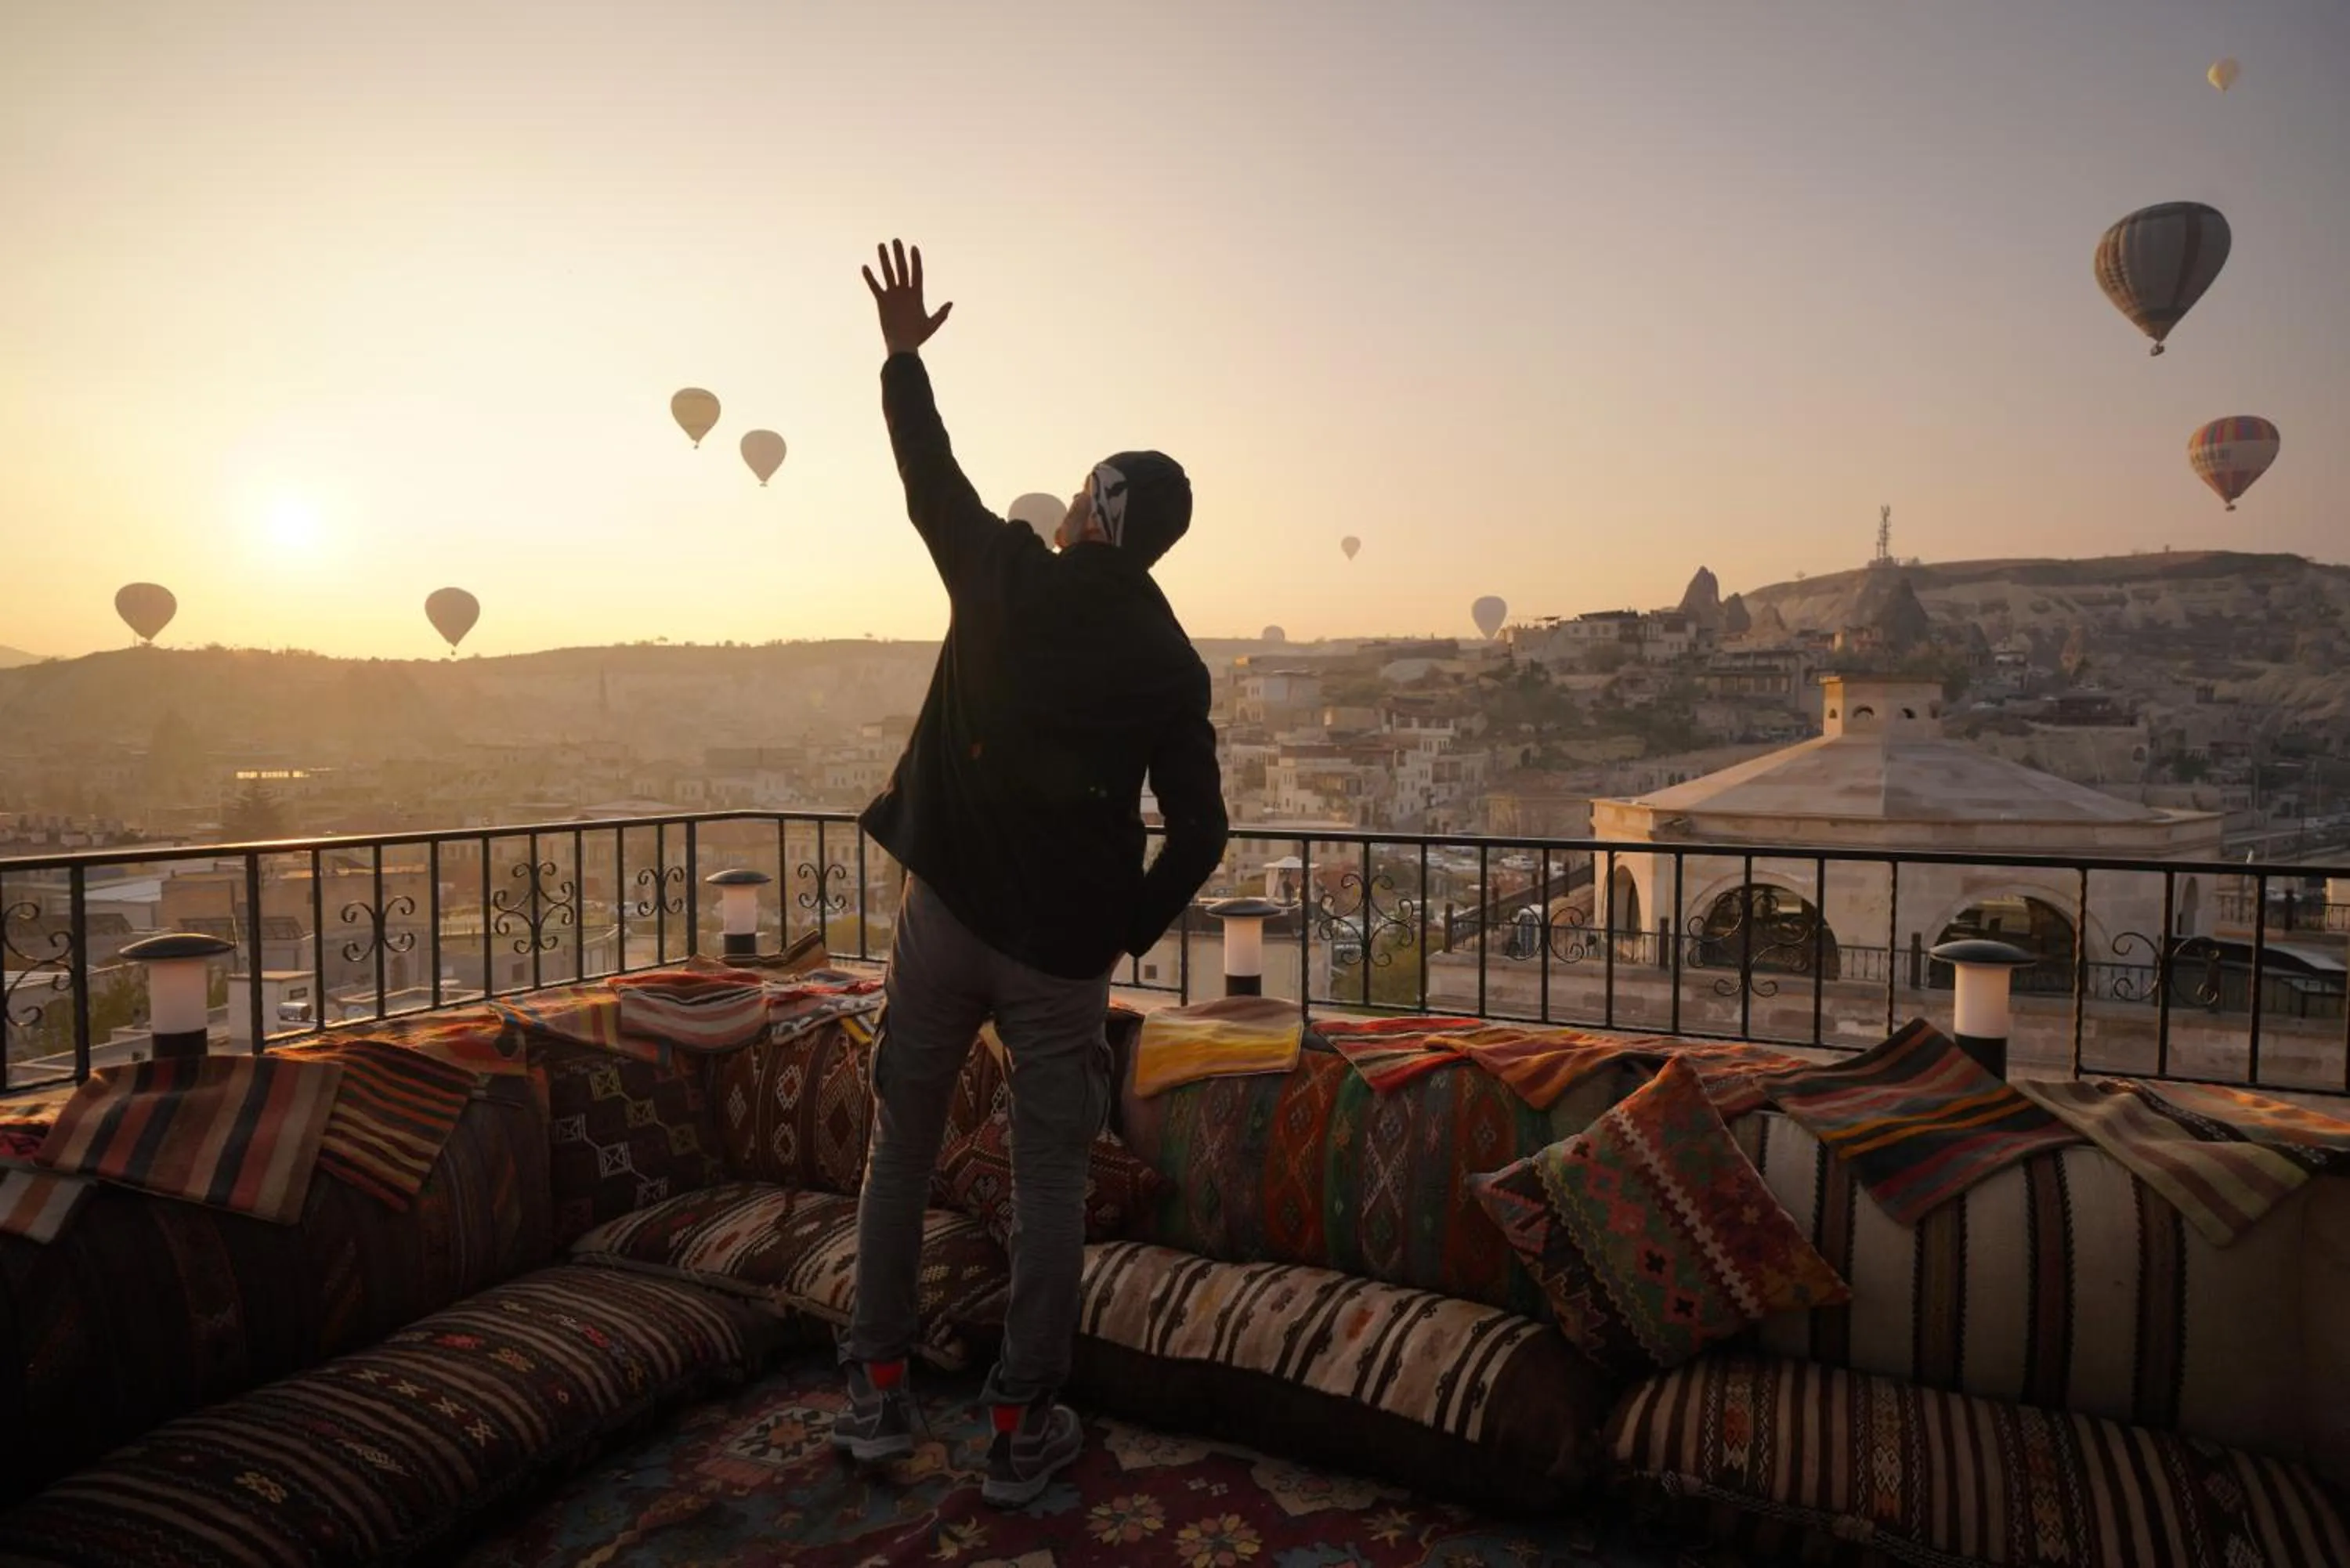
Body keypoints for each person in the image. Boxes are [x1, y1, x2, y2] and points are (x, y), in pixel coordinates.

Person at [833, 239, 1229, 1508]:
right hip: (1063, 951)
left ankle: (879, 1390)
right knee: (1050, 1178)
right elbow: (1204, 832)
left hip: (943, 910)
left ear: (1093, 515)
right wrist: (1124, 925)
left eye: (1077, 494)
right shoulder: (1172, 663)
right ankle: (1019, 1424)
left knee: (902, 1145)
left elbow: (927, 478)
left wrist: (902, 358)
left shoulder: (1002, 576)